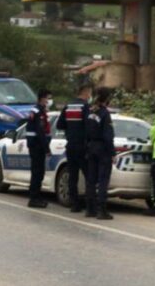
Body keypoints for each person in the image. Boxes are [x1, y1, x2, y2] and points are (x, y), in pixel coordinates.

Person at [56, 84, 93, 213]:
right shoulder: (85, 107)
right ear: (86, 92)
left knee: (73, 175)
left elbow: (60, 124)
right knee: (89, 175)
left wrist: (70, 130)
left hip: (70, 145)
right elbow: (89, 126)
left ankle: (74, 204)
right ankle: (90, 205)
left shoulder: (68, 106)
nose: (90, 96)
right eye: (89, 93)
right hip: (82, 146)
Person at [85, 87, 115, 220]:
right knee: (103, 179)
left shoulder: (91, 112)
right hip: (102, 149)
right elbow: (108, 136)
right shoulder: (104, 114)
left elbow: (86, 131)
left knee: (91, 179)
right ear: (107, 99)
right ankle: (101, 210)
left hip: (91, 147)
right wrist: (112, 152)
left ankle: (90, 209)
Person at [25, 89, 52, 208]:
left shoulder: (35, 110)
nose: (49, 101)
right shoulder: (39, 112)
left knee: (37, 172)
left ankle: (36, 196)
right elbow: (40, 131)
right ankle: (34, 198)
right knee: (38, 172)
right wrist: (46, 148)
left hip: (35, 145)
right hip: (37, 146)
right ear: (42, 98)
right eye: (48, 98)